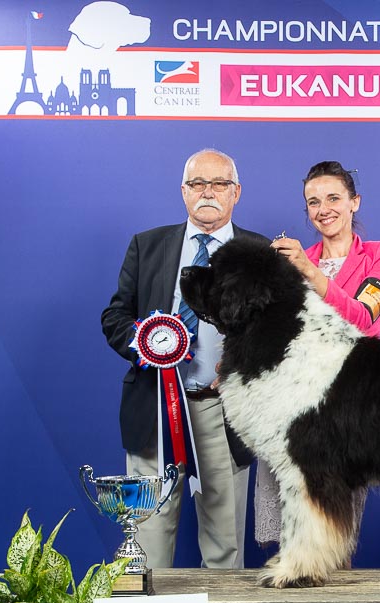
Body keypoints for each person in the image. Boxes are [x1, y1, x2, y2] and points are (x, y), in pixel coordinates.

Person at [101, 148, 268, 569]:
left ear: (236, 192)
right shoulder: (147, 245)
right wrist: (148, 346)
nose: (207, 192)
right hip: (154, 407)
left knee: (225, 546)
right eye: (197, 183)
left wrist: (240, 365)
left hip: (224, 410)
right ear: (183, 191)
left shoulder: (259, 252)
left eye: (219, 184)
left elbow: (275, 332)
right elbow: (115, 316)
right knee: (148, 544)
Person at [256, 160, 380, 546]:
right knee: (289, 533)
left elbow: (363, 319)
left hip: (347, 402)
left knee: (334, 527)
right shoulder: (290, 263)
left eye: (334, 198)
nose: (324, 209)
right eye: (313, 202)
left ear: (355, 202)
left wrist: (309, 271)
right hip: (291, 405)